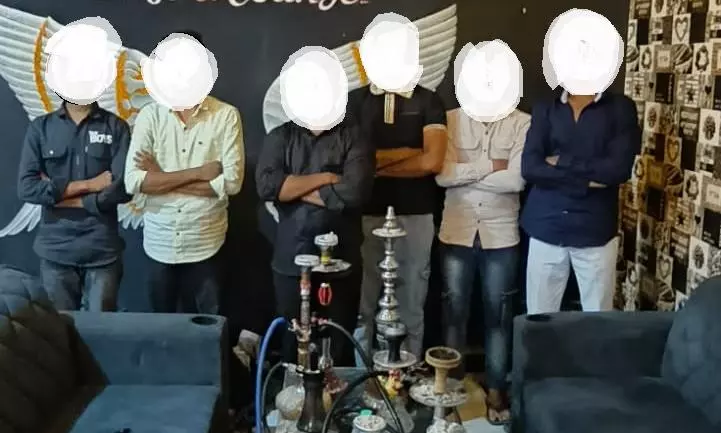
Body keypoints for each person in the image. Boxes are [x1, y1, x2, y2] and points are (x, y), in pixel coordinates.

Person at [256, 47, 374, 366]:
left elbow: (355, 192)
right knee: (294, 341)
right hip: (291, 260)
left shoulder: (355, 137)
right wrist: (325, 178)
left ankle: (339, 395)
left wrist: (294, 188)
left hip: (342, 261)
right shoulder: (280, 137)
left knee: (340, 343)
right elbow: (267, 187)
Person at [124, 31, 244, 314]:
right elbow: (133, 181)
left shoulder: (226, 115)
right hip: (159, 241)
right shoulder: (150, 116)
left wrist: (160, 177)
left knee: (208, 328)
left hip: (206, 242)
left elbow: (231, 183)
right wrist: (200, 173)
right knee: (162, 329)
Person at [436, 106, 528, 424]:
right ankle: (450, 392)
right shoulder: (452, 119)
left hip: (501, 236)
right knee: (453, 316)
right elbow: (442, 175)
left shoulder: (522, 122)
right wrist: (491, 166)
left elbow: (516, 180)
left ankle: (496, 392)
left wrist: (466, 175)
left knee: (498, 318)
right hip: (456, 232)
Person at [349, 78, 447, 360]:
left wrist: (374, 165)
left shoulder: (428, 100)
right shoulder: (355, 101)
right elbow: (352, 159)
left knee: (411, 308)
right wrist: (411, 155)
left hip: (416, 214)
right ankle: (363, 376)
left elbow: (433, 161)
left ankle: (405, 375)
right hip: (364, 214)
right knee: (363, 308)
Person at [521, 90, 641, 314]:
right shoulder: (546, 106)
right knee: (538, 318)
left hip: (594, 230)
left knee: (597, 319)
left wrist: (562, 161)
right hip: (546, 226)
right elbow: (530, 168)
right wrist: (586, 181)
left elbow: (617, 171)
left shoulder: (620, 108)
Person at [17, 99, 131, 311]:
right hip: (56, 252)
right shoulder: (41, 128)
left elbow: (122, 189)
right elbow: (27, 188)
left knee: (102, 327)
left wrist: (60, 197)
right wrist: (90, 185)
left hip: (102, 250)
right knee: (59, 327)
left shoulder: (116, 127)